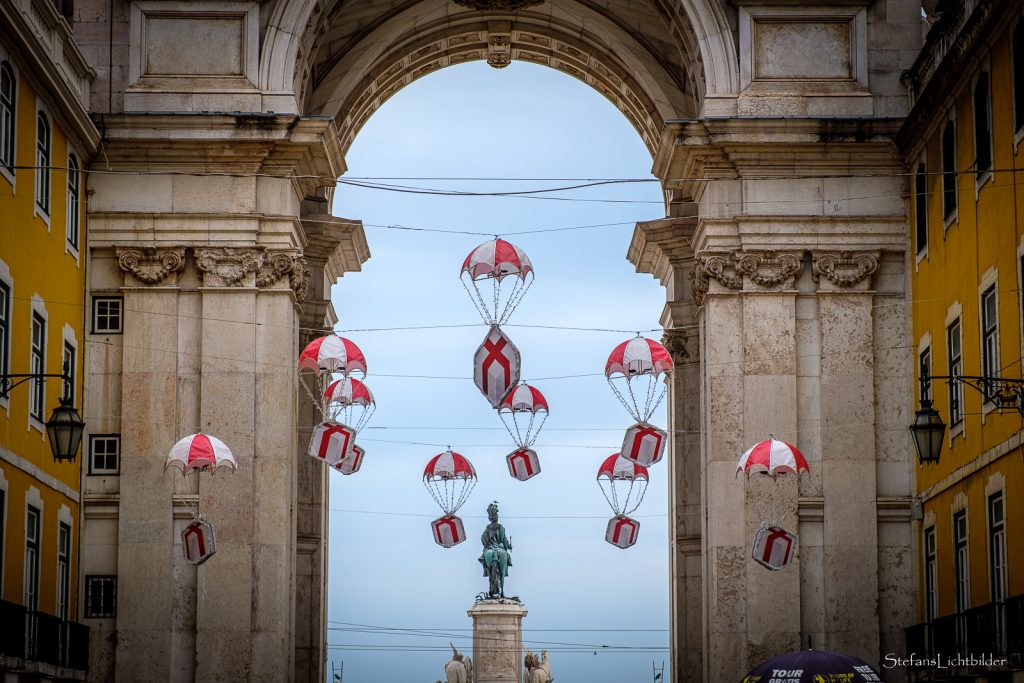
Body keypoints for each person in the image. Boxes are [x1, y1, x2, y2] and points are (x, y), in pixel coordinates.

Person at [478, 501, 512, 598]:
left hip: (489, 548)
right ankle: (502, 592)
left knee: (484, 561)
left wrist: (487, 545)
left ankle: (486, 573)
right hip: (500, 548)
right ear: (497, 518)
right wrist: (508, 546)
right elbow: (504, 540)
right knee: (507, 558)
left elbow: (482, 538)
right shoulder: (501, 528)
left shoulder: (487, 528)